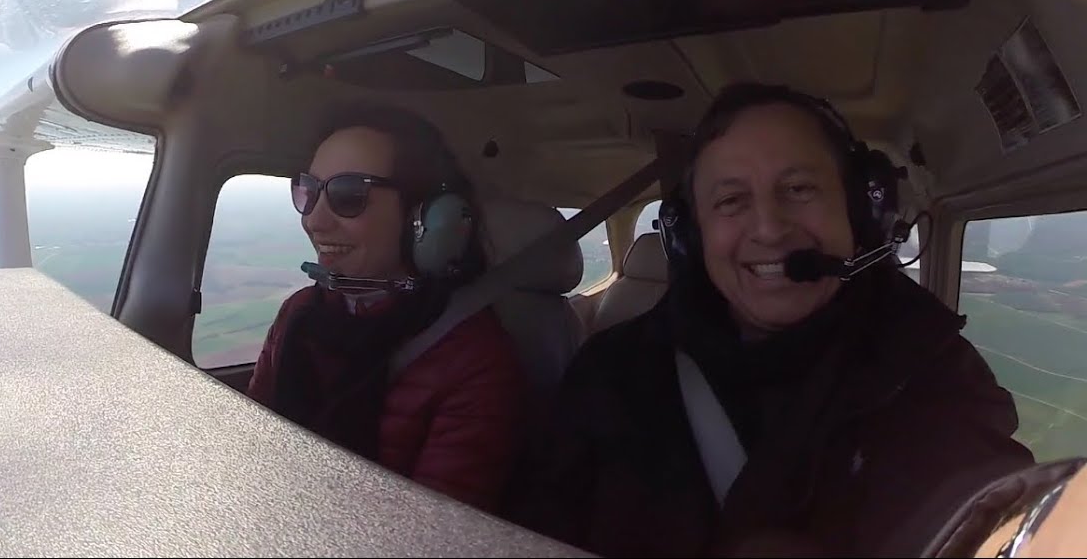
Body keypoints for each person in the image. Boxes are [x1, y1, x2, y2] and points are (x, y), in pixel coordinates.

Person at [507, 82, 1035, 557]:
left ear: (858, 212)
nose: (769, 228)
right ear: (691, 239)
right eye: (731, 200)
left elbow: (981, 510)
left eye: (800, 188)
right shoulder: (611, 373)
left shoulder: (927, 372)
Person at [247, 103, 526, 514]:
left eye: (348, 195)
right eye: (309, 191)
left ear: (428, 219)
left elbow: (432, 535)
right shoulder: (299, 314)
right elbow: (251, 450)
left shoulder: (475, 362)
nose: (315, 221)